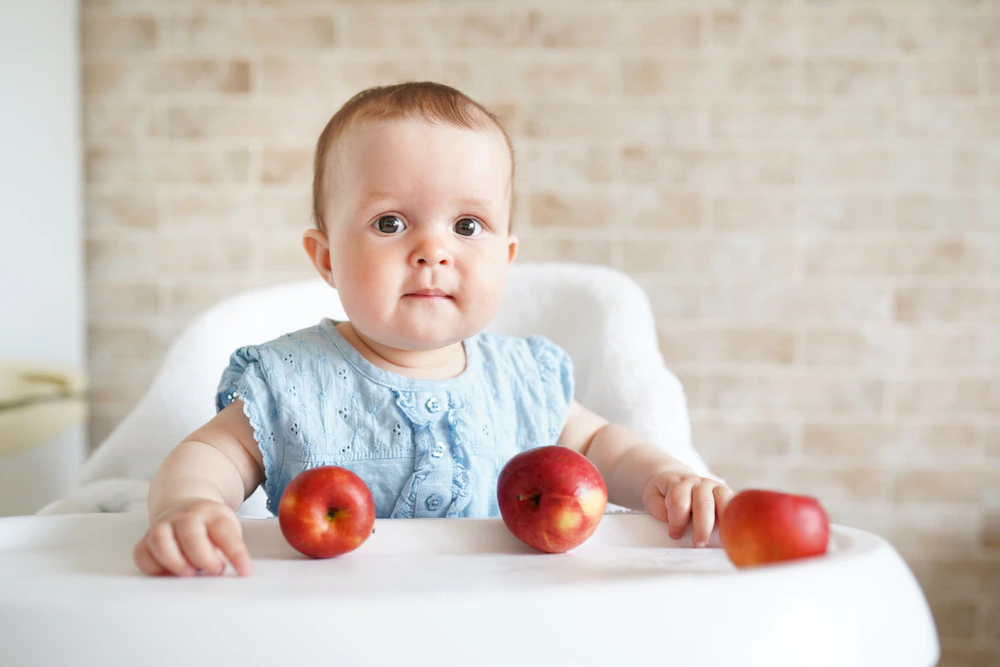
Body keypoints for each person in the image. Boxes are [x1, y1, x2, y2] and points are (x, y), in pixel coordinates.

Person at [133, 81, 733, 577]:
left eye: (468, 227)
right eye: (390, 222)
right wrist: (190, 504)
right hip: (324, 618)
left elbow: (605, 448)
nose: (432, 250)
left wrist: (666, 477)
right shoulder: (291, 379)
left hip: (487, 616)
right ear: (327, 260)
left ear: (507, 256)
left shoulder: (524, 378)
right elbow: (211, 453)